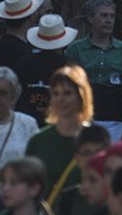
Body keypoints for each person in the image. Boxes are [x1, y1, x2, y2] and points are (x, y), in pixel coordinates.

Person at [66, 0, 122, 141]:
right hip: (86, 116)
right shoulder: (76, 49)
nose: (109, 20)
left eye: (112, 16)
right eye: (104, 15)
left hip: (116, 117)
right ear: (91, 18)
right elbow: (71, 85)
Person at [23, 64, 93, 199]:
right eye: (55, 93)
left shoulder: (95, 138)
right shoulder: (38, 140)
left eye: (67, 93)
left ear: (81, 96)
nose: (61, 99)